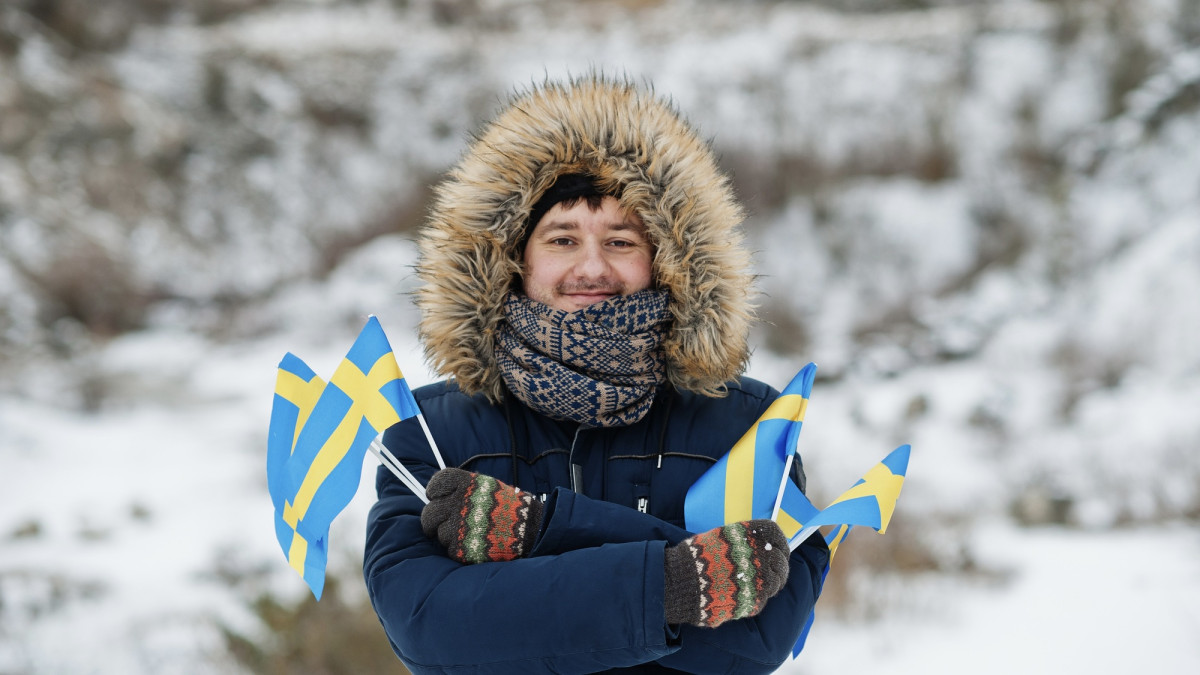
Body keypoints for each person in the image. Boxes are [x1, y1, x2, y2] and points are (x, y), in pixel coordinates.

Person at [363, 75, 829, 674]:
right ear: (513, 259)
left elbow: (757, 638)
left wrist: (540, 530)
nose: (591, 266)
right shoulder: (429, 432)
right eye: (561, 239)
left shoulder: (749, 423)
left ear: (666, 260)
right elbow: (429, 626)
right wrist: (677, 581)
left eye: (620, 240)